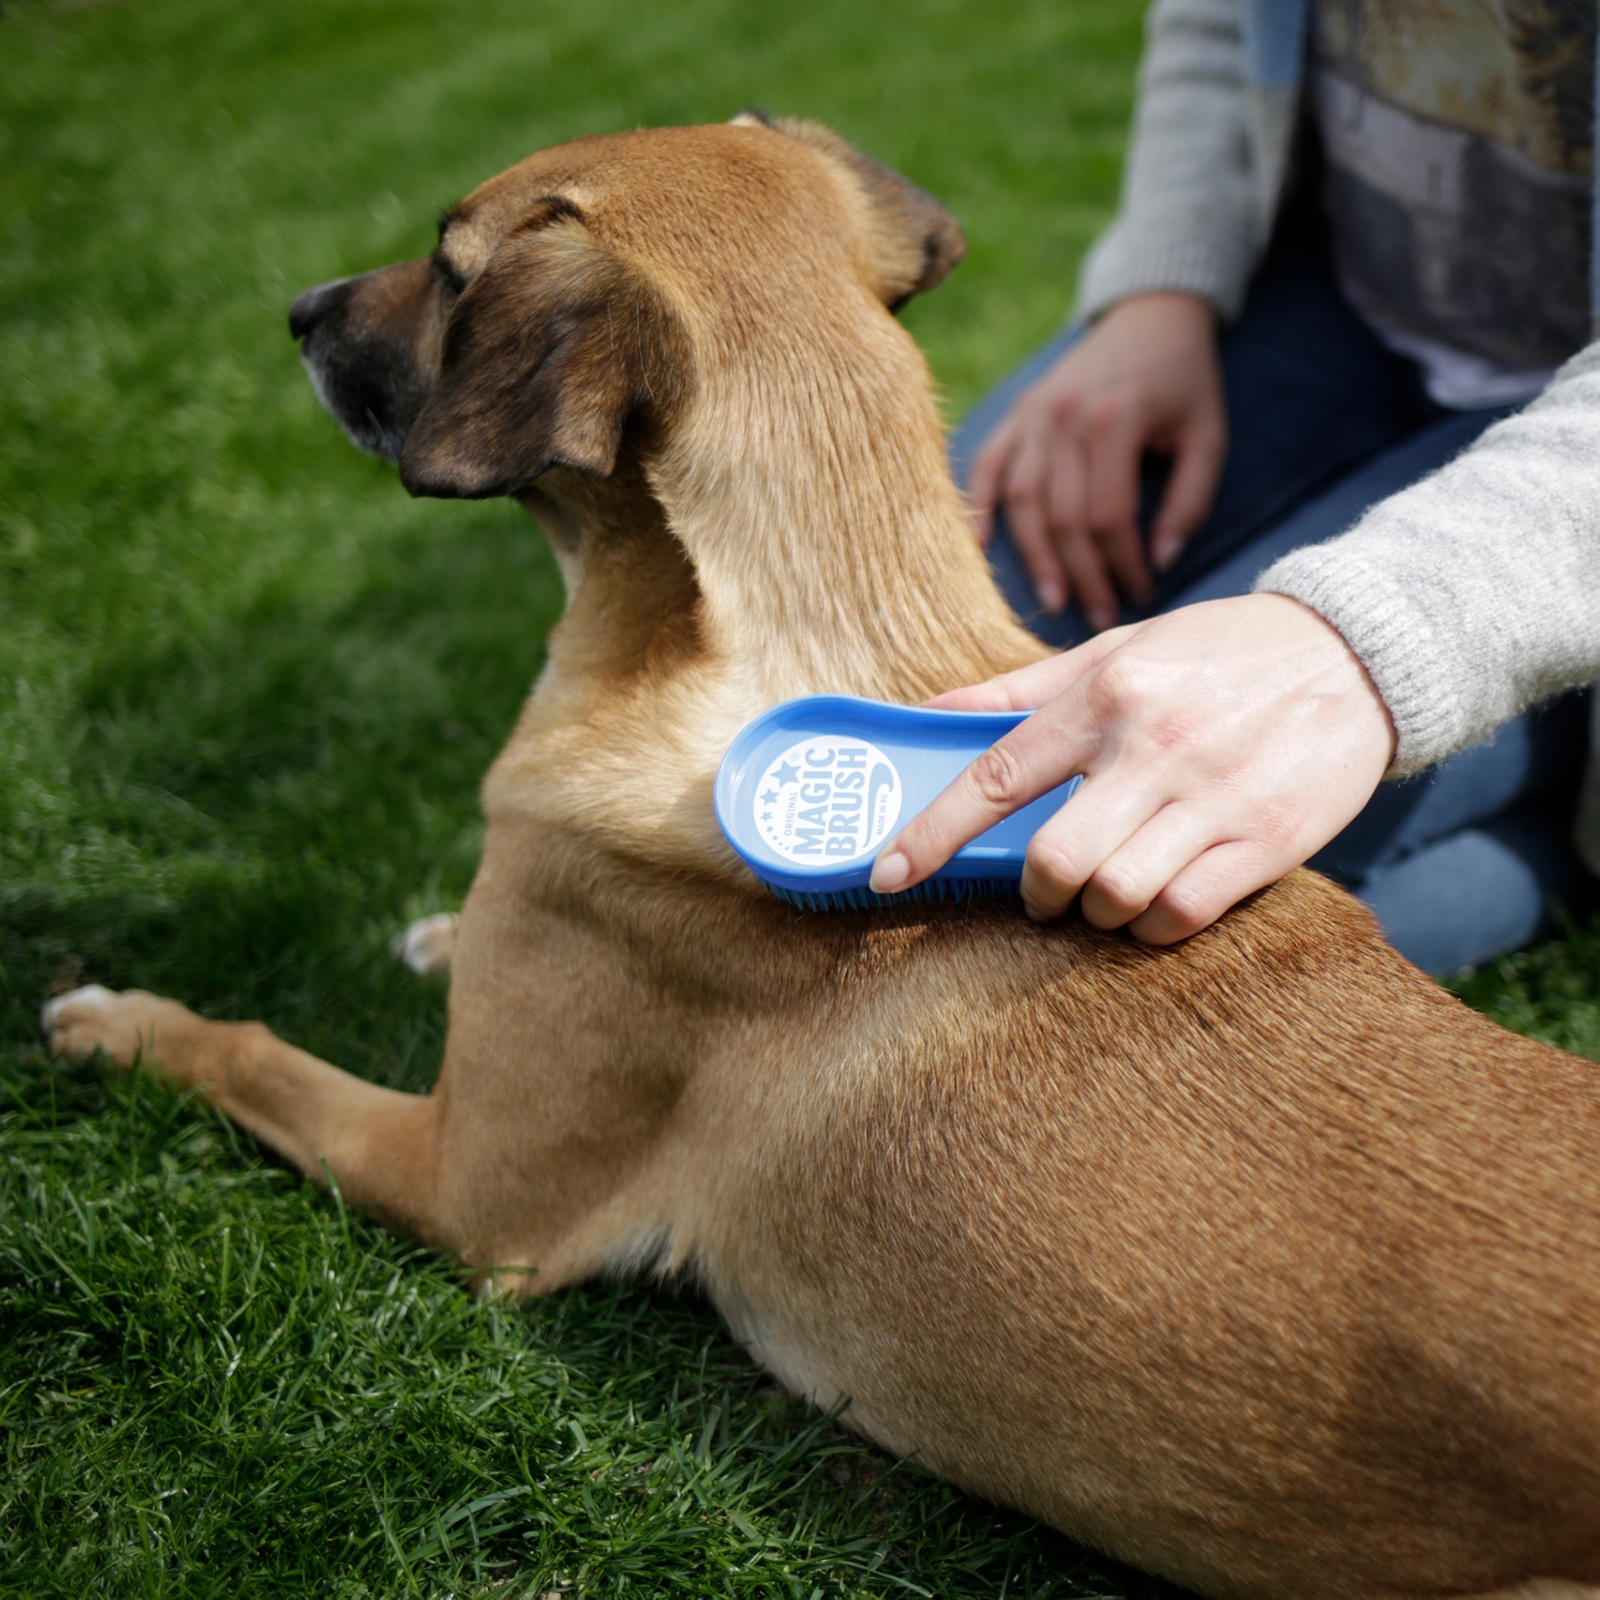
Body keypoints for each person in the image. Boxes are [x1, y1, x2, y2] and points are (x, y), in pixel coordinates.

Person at [869, 0, 1600, 975]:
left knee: (1137, 899)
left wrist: (1359, 645)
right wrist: (1161, 290)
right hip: (1338, 292)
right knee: (896, 662)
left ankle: (1558, 809)